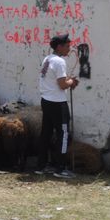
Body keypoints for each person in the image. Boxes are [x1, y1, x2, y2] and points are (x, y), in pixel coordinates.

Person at [37, 34, 78, 179]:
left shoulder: (47, 59)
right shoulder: (60, 62)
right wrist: (71, 82)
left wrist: (67, 80)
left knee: (46, 133)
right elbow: (62, 85)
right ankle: (60, 168)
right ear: (59, 47)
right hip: (57, 102)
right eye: (67, 46)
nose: (69, 49)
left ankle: (41, 165)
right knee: (63, 134)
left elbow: (54, 80)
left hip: (46, 100)